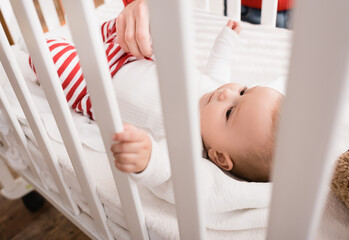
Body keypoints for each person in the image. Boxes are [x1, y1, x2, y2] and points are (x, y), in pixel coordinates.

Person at [31, 1, 283, 183]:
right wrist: (227, 40)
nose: (225, 94)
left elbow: (163, 165)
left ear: (218, 156)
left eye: (229, 112)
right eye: (244, 90)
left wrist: (146, 158)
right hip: (132, 54)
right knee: (137, 30)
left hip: (93, 84)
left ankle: (72, 47)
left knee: (43, 53)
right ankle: (102, 35)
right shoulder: (214, 90)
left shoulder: (186, 142)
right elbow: (219, 66)